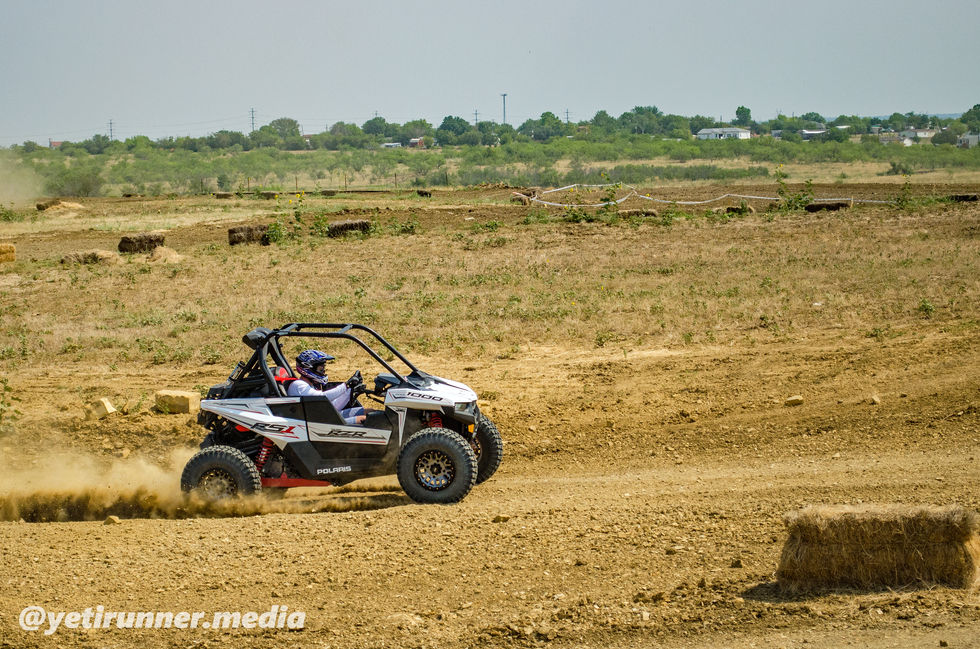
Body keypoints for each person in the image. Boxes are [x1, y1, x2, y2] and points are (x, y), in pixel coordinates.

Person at [286, 349, 368, 424]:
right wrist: (345, 386)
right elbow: (323, 397)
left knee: (370, 413)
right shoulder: (298, 385)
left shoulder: (312, 386)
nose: (323, 372)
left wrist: (351, 390)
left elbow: (334, 407)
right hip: (319, 424)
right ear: (308, 368)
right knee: (367, 420)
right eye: (321, 369)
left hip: (325, 419)